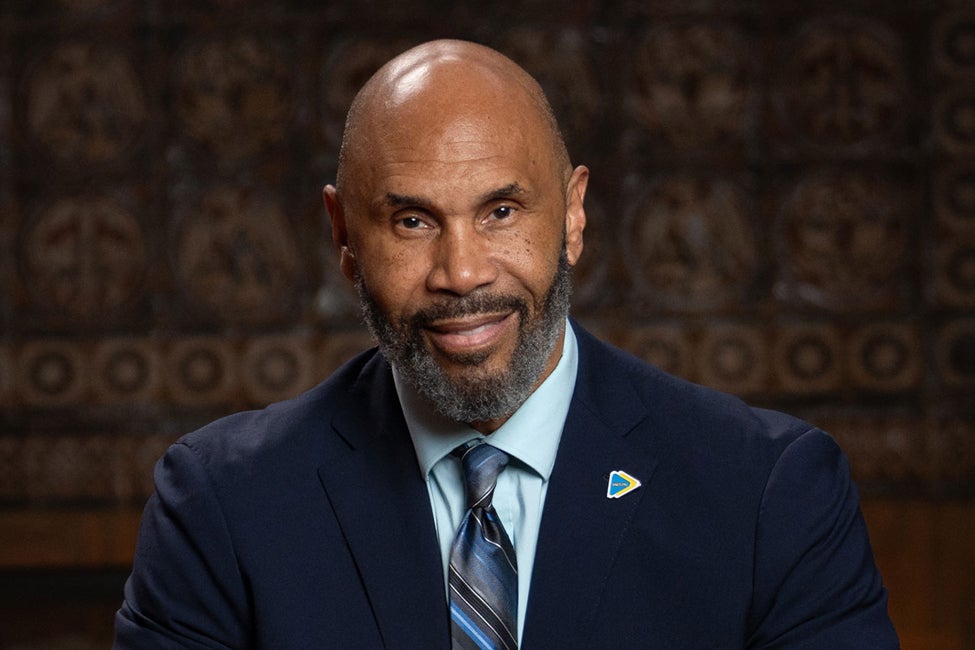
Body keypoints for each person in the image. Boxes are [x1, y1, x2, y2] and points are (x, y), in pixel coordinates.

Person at [114, 39, 898, 648]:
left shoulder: (769, 494)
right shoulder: (222, 504)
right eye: (411, 220)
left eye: (500, 212)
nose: (460, 274)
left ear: (574, 214)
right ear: (344, 236)